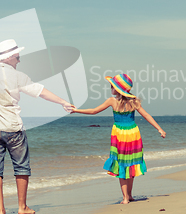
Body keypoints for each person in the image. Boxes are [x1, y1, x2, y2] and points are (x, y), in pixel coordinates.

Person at [0, 39, 74, 214]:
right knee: (21, 167)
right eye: (17, 57)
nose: (19, 60)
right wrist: (63, 102)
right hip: (13, 128)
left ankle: (1, 211)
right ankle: (22, 207)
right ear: (10, 57)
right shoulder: (19, 77)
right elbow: (41, 92)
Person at [71, 73, 166, 204]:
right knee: (131, 163)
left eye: (112, 86)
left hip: (119, 135)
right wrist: (159, 128)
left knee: (121, 163)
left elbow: (94, 111)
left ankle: (125, 197)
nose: (111, 88)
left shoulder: (112, 101)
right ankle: (130, 195)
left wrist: (76, 111)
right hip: (133, 133)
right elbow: (146, 115)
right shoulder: (133, 101)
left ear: (117, 88)